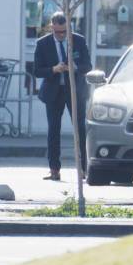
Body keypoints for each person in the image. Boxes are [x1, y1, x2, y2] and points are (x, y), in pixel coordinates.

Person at [34, 12, 91, 181]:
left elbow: (88, 65)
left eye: (64, 32)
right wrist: (53, 69)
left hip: (74, 91)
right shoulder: (42, 43)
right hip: (53, 91)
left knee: (79, 129)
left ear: (69, 28)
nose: (60, 35)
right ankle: (54, 170)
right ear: (51, 27)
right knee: (53, 130)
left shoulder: (78, 40)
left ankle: (83, 169)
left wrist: (75, 67)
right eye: (57, 32)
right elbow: (37, 71)